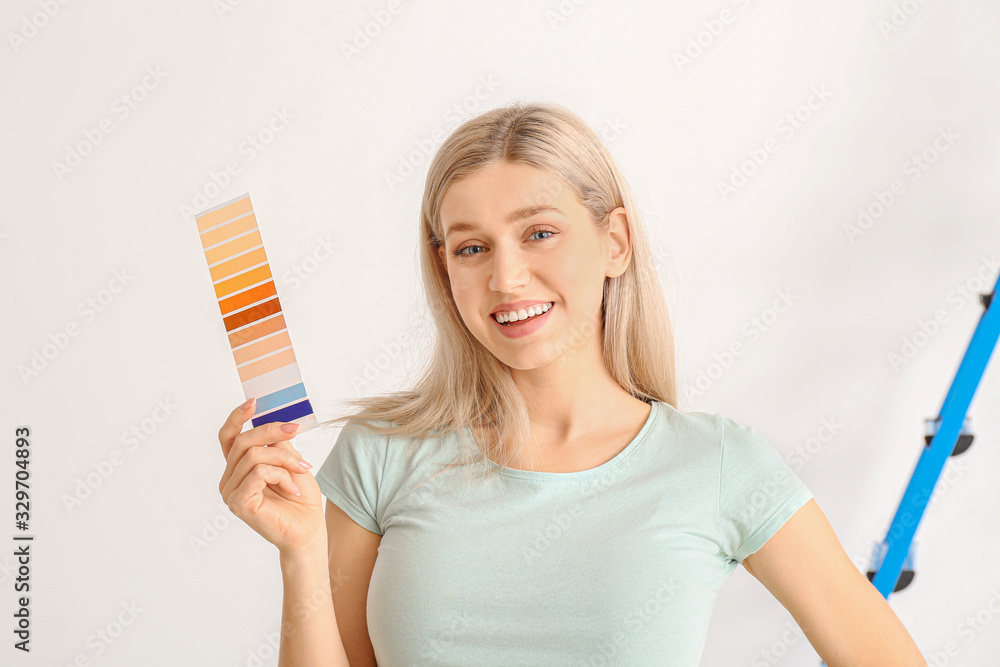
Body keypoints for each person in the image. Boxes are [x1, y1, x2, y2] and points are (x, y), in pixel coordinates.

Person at [217, 101, 927, 666]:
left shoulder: (718, 464)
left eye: (539, 233)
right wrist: (301, 551)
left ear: (614, 241)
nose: (506, 277)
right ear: (444, 271)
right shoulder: (381, 454)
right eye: (471, 247)